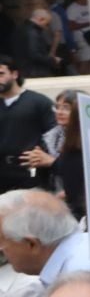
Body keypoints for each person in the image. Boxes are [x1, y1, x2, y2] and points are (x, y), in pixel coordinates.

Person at [0, 190, 90, 287]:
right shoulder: (89, 246)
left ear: (31, 244)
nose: (2, 250)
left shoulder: (75, 283)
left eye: (1, 243)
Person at [0, 57, 55, 195]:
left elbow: (54, 133)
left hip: (28, 171)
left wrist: (43, 155)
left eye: (1, 74)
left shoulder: (38, 102)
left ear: (14, 74)